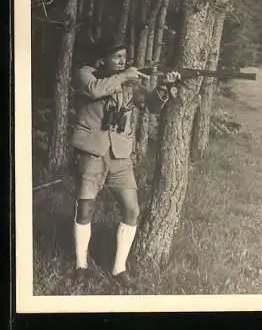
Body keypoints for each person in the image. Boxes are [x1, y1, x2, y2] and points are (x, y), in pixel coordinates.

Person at [69, 38, 181, 289]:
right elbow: (96, 90)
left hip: (120, 156)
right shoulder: (85, 74)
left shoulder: (127, 82)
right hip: (92, 152)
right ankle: (81, 266)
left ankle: (119, 268)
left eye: (125, 57)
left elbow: (150, 106)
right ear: (103, 59)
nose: (123, 61)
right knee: (85, 208)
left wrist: (164, 87)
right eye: (118, 57)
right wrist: (124, 76)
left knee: (132, 210)